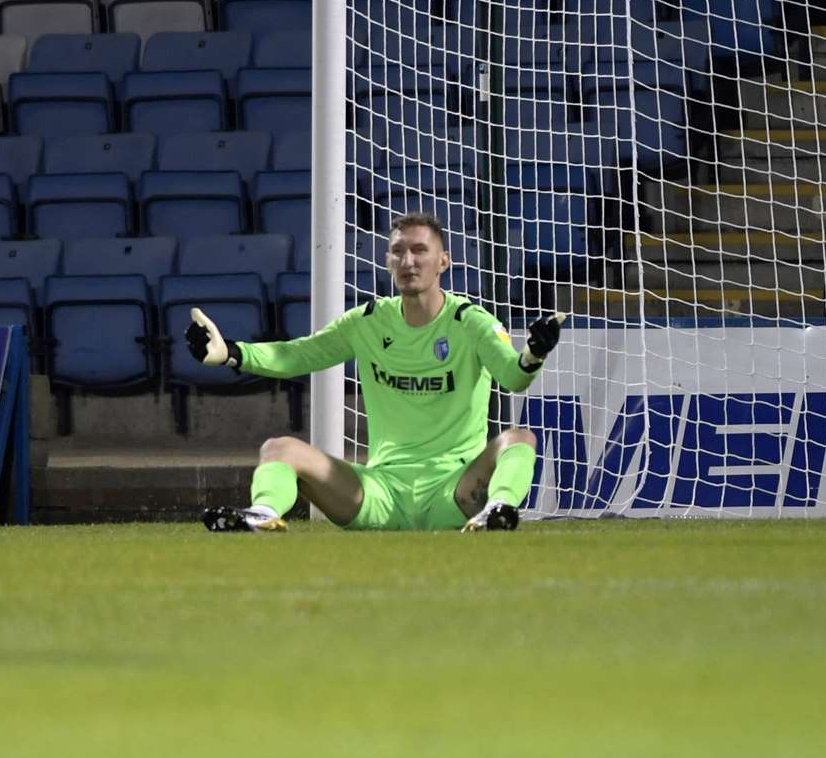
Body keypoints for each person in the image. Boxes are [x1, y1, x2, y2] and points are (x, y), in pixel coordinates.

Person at [187, 211, 564, 533]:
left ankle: (497, 511)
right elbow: (298, 355)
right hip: (379, 493)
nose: (408, 261)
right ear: (387, 260)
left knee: (520, 438)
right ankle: (264, 515)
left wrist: (532, 354)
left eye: (419, 250)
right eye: (398, 251)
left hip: (453, 493)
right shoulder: (367, 322)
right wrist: (231, 353)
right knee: (278, 448)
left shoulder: (471, 322)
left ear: (443, 261)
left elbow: (513, 377)